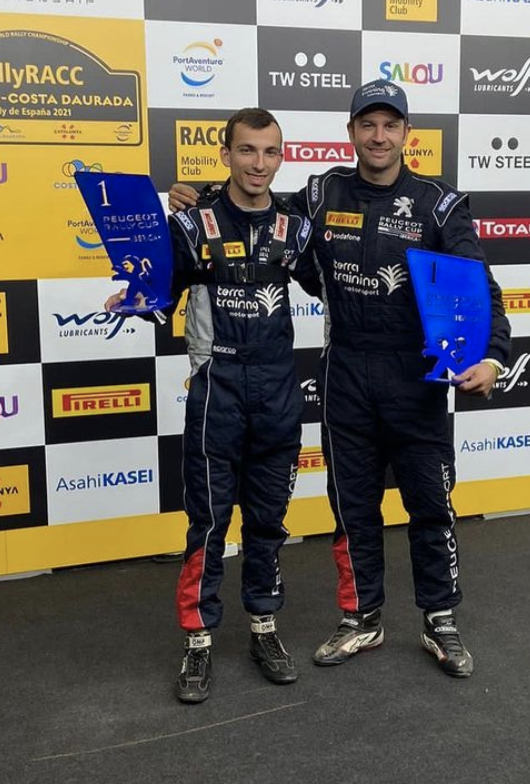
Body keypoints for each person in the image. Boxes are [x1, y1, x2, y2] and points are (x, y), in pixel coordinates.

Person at [169, 81, 511, 679]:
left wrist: (492, 356)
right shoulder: (322, 193)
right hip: (346, 373)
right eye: (367, 125)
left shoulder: (438, 204)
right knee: (352, 508)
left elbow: (479, 284)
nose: (379, 137)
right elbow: (256, 208)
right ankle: (362, 618)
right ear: (351, 132)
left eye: (390, 125)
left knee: (431, 506)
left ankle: (440, 619)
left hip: (416, 376)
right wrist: (200, 196)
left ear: (406, 134)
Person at [108, 108, 321, 703]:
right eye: (247, 150)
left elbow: (334, 284)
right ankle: (198, 640)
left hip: (278, 392)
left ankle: (264, 629)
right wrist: (135, 297)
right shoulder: (190, 222)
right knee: (207, 523)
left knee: (269, 521)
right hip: (216, 389)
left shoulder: (296, 226)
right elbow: (159, 291)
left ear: (282, 157)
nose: (259, 163)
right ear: (226, 154)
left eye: (270, 152)